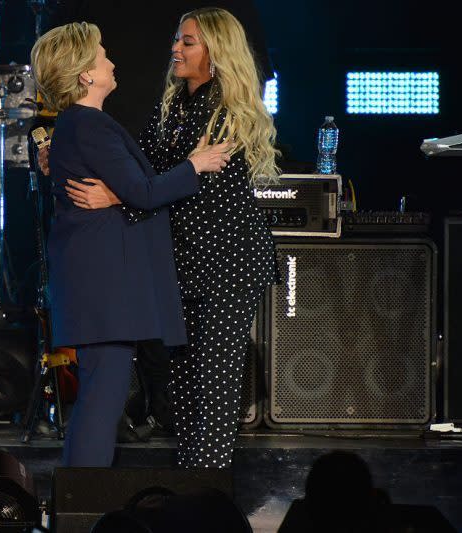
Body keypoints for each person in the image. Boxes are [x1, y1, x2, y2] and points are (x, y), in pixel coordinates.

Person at [65, 7, 278, 468]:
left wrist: (115, 198)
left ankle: (207, 488)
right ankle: (191, 481)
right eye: (177, 40)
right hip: (182, 265)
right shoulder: (173, 105)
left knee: (213, 383)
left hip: (226, 265)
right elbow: (141, 171)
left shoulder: (227, 113)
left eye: (188, 42)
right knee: (180, 383)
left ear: (216, 54)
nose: (175, 48)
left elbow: (184, 190)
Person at [30, 21, 231, 467]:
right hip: (103, 287)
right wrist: (195, 165)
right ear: (85, 74)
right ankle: (84, 503)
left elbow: (130, 187)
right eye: (103, 55)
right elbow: (142, 191)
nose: (112, 61)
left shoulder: (78, 125)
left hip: (97, 285)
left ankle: (81, 500)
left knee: (100, 400)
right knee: (102, 403)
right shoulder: (90, 125)